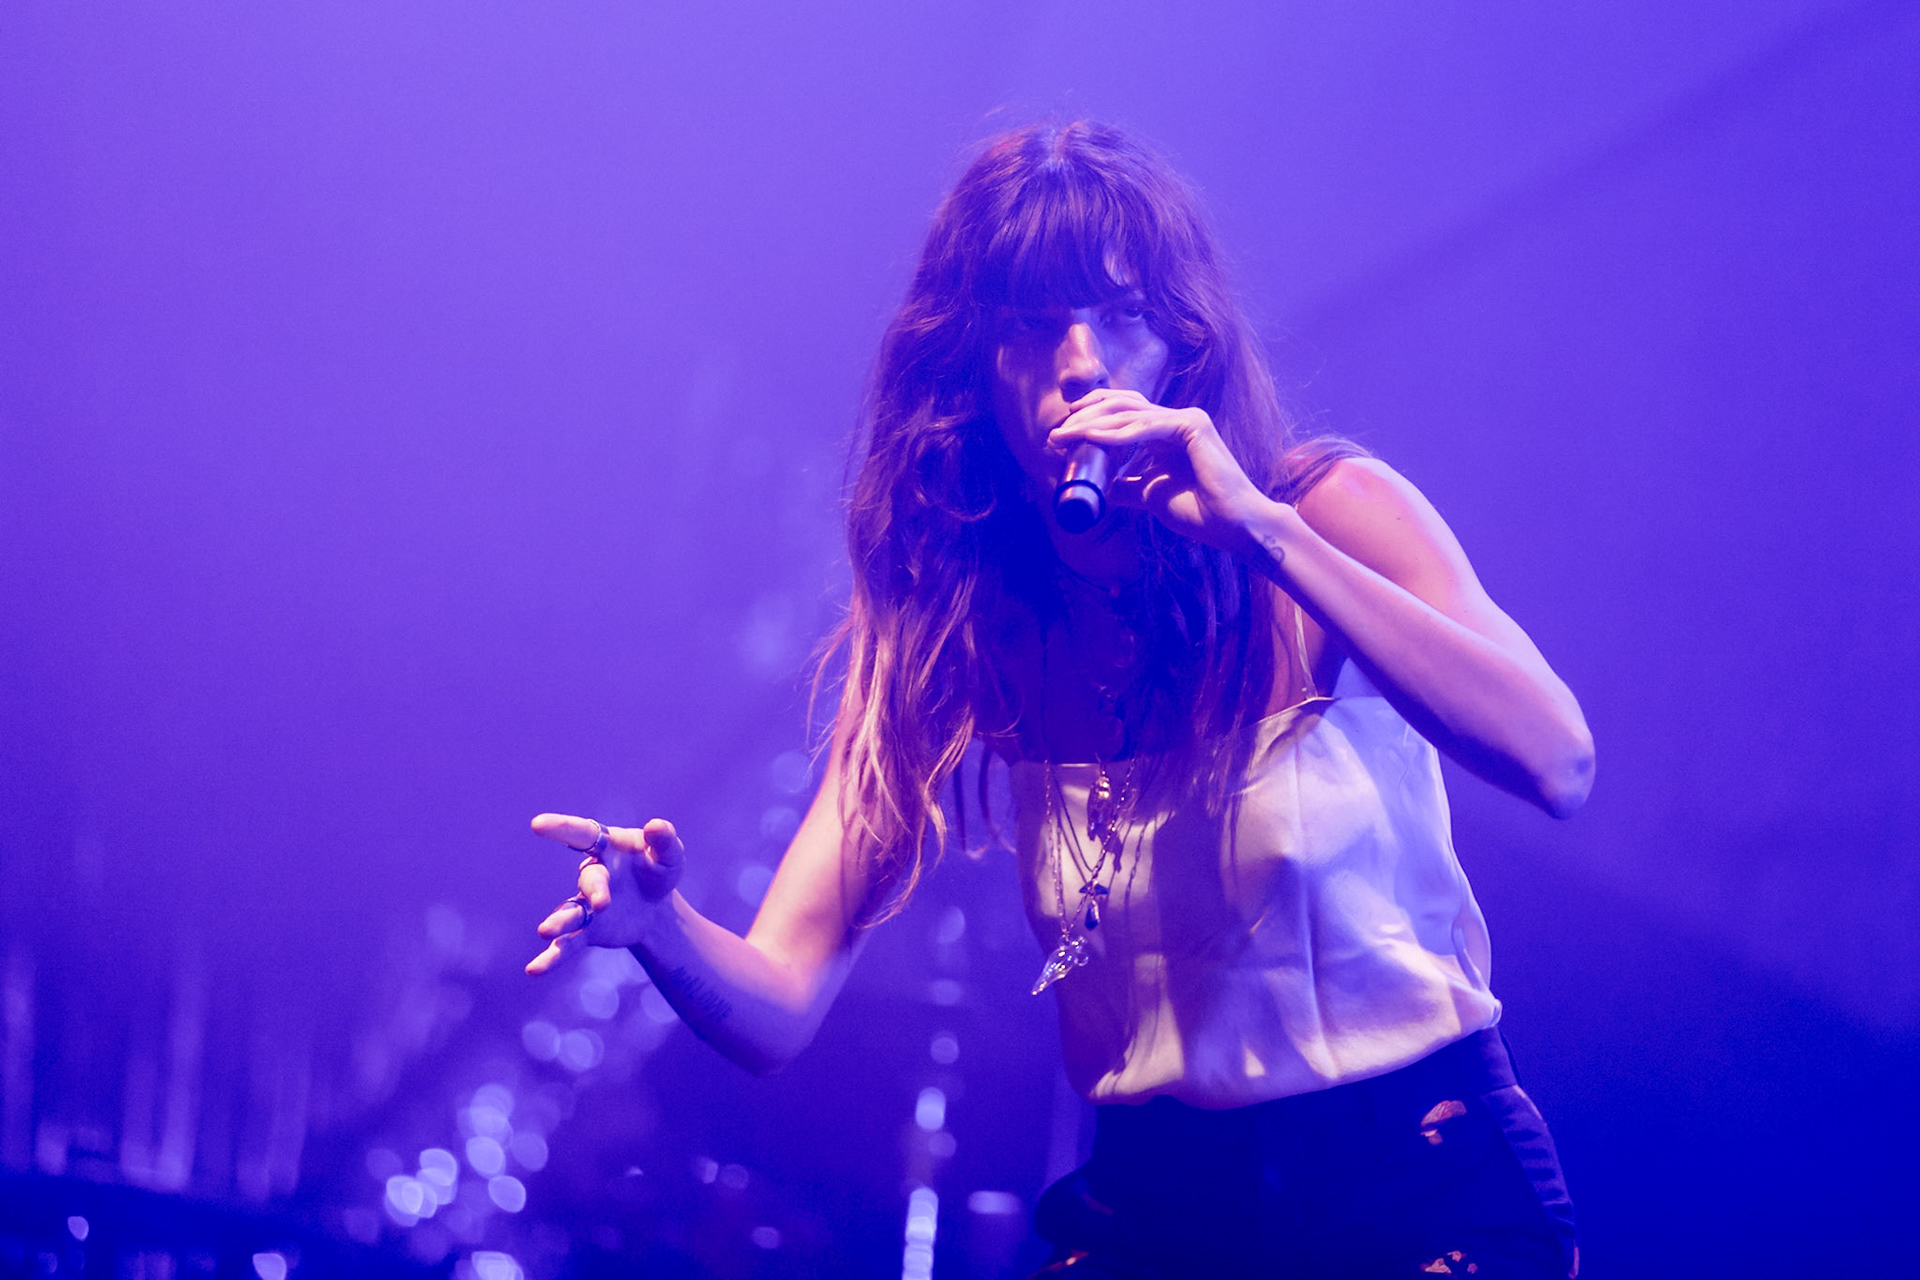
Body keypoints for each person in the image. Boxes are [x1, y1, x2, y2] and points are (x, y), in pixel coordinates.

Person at [526, 121, 1592, 1279]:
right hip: (1161, 1208)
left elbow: (1555, 758)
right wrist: (653, 928)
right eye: (1035, 328)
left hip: (1410, 1185)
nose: (1080, 362)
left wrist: (1265, 533)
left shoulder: (1328, 512)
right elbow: (777, 1004)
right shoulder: (963, 620)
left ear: (1182, 344)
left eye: (1119, 316)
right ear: (977, 364)